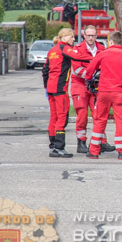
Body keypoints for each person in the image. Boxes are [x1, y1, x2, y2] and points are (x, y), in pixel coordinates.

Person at [85, 31, 122, 160]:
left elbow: (90, 70)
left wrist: (89, 79)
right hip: (119, 93)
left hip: (103, 92)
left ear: (111, 42)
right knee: (121, 121)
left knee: (100, 120)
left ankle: (94, 151)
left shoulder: (103, 54)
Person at [42, 28, 89, 158]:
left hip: (51, 89)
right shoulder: (64, 48)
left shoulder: (52, 51)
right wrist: (95, 58)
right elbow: (78, 56)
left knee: (54, 117)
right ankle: (59, 147)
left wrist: (47, 87)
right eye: (72, 37)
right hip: (60, 90)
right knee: (62, 117)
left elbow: (45, 70)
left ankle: (52, 147)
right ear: (64, 38)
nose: (74, 39)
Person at [70, 25, 115, 154]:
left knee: (99, 114)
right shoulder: (77, 49)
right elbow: (77, 69)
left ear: (96, 36)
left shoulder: (101, 49)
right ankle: (81, 142)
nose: (90, 38)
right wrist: (92, 75)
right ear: (84, 35)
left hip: (95, 86)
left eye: (93, 35)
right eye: (88, 35)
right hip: (81, 85)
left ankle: (101, 141)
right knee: (82, 115)